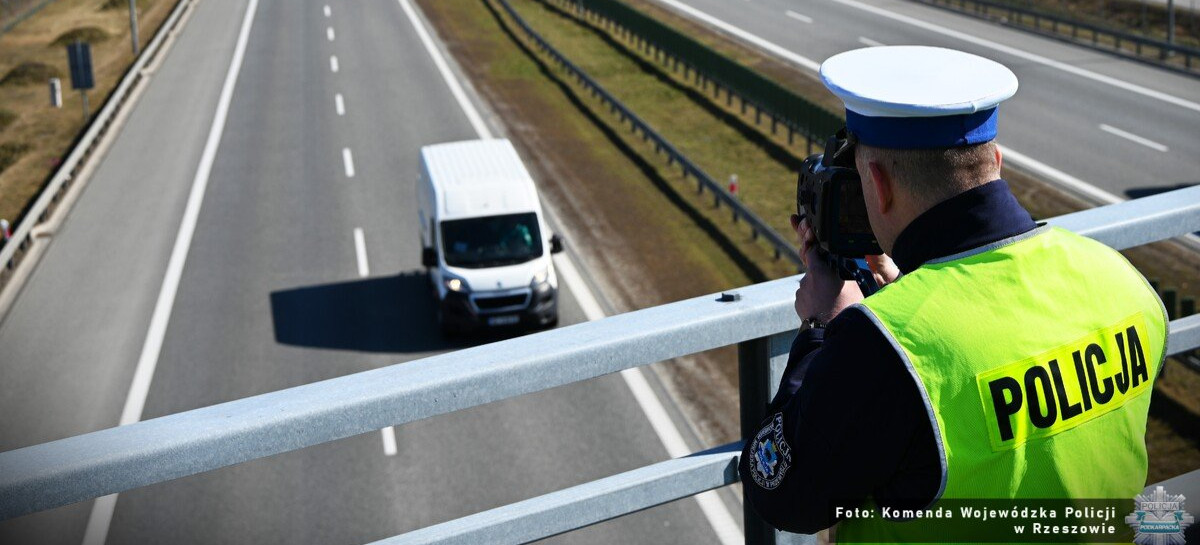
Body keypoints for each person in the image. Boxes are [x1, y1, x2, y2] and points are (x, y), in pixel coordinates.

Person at [738, 46, 1168, 541]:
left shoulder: (883, 346)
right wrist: (906, 295)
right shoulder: (1121, 278)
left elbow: (783, 493)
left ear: (876, 185)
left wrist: (819, 331)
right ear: (997, 161)